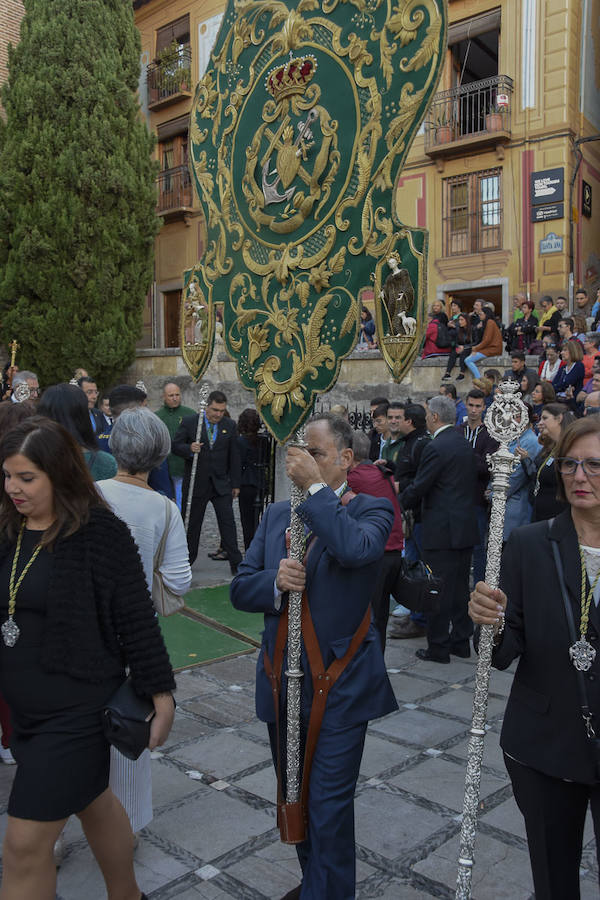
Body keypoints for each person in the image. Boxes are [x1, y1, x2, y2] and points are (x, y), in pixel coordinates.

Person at [0, 417, 175, 900]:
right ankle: (129, 895)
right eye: (7, 476)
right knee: (94, 802)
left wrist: (161, 692)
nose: (13, 488)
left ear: (60, 474)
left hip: (76, 709)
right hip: (25, 715)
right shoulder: (8, 527)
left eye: (26, 478)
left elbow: (136, 617)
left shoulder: (99, 531)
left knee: (22, 844)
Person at [231, 413, 397, 899]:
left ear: (346, 459)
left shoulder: (371, 507)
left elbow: (354, 549)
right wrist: (274, 583)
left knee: (328, 803)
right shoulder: (277, 514)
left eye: (316, 453)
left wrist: (316, 493)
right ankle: (316, 886)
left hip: (341, 686)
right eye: (298, 452)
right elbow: (241, 588)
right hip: (281, 682)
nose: (301, 461)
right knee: (294, 798)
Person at [469, 415, 600, 899]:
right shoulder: (528, 544)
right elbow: (502, 651)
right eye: (570, 464)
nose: (579, 477)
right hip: (544, 743)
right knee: (553, 881)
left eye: (594, 465)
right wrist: (492, 621)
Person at [96, 407, 191, 840]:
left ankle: (54, 830)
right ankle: (126, 828)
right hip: (135, 636)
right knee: (128, 726)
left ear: (114, 447)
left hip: (78, 625)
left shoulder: (85, 494)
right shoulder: (165, 508)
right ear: (159, 457)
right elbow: (178, 581)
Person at [400, 395, 479, 663]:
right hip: (464, 527)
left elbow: (421, 486)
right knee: (459, 590)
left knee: (436, 589)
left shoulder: (437, 447)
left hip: (442, 529)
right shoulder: (463, 442)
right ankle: (460, 641)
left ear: (434, 417)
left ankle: (438, 647)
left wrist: (396, 503)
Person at [172, 390, 242, 573]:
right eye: (214, 410)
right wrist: (189, 448)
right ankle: (187, 561)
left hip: (220, 484)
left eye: (221, 410)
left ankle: (236, 563)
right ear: (206, 407)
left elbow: (234, 456)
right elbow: (175, 446)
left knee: (227, 523)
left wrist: (235, 484)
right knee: (193, 524)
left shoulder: (229, 425)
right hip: (197, 484)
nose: (218, 414)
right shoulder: (190, 423)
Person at [347, 431, 404, 650]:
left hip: (376, 555)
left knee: (367, 617)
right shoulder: (383, 472)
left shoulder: (354, 479)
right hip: (394, 551)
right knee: (380, 617)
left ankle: (369, 668)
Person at [458, 389, 499, 585]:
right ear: (466, 405)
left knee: (477, 547)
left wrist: (465, 454)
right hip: (456, 498)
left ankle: (479, 586)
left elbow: (486, 467)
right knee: (457, 545)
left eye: (478, 406)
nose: (474, 410)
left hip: (477, 499)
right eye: (471, 405)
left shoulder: (489, 435)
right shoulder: (458, 430)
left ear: (484, 407)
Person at [38, 383, 117, 482]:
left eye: (95, 392)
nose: (94, 396)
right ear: (83, 416)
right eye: (89, 392)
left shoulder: (31, 457)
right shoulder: (107, 463)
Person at [516, 402, 575, 522]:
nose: (540, 423)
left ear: (559, 419)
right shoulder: (550, 447)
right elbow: (538, 475)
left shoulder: (570, 450)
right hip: (540, 514)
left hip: (557, 517)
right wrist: (526, 461)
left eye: (545, 418)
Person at [154, 383, 195, 508]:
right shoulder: (156, 416)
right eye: (171, 395)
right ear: (164, 397)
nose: (175, 398)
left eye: (177, 394)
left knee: (181, 499)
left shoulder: (190, 414)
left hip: (182, 465)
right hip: (161, 465)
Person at [237, 408, 270, 550]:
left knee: (247, 520)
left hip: (246, 483)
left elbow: (238, 463)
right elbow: (267, 460)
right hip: (260, 482)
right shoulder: (264, 440)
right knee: (257, 517)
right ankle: (257, 546)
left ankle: (250, 547)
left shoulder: (240, 441)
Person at [464, 306, 502, 379]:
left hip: (493, 349)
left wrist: (476, 348)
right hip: (491, 348)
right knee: (468, 359)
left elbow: (487, 340)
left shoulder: (490, 322)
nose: (479, 316)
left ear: (486, 314)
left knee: (468, 360)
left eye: (481, 314)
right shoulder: (488, 322)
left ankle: (479, 379)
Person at [442, 313, 472, 379]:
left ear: (467, 320)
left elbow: (475, 342)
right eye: (459, 320)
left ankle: (462, 373)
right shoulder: (458, 329)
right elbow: (455, 341)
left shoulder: (472, 329)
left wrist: (464, 347)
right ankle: (447, 373)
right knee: (453, 353)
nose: (460, 322)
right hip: (460, 347)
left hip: (470, 348)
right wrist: (457, 347)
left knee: (463, 354)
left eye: (462, 320)